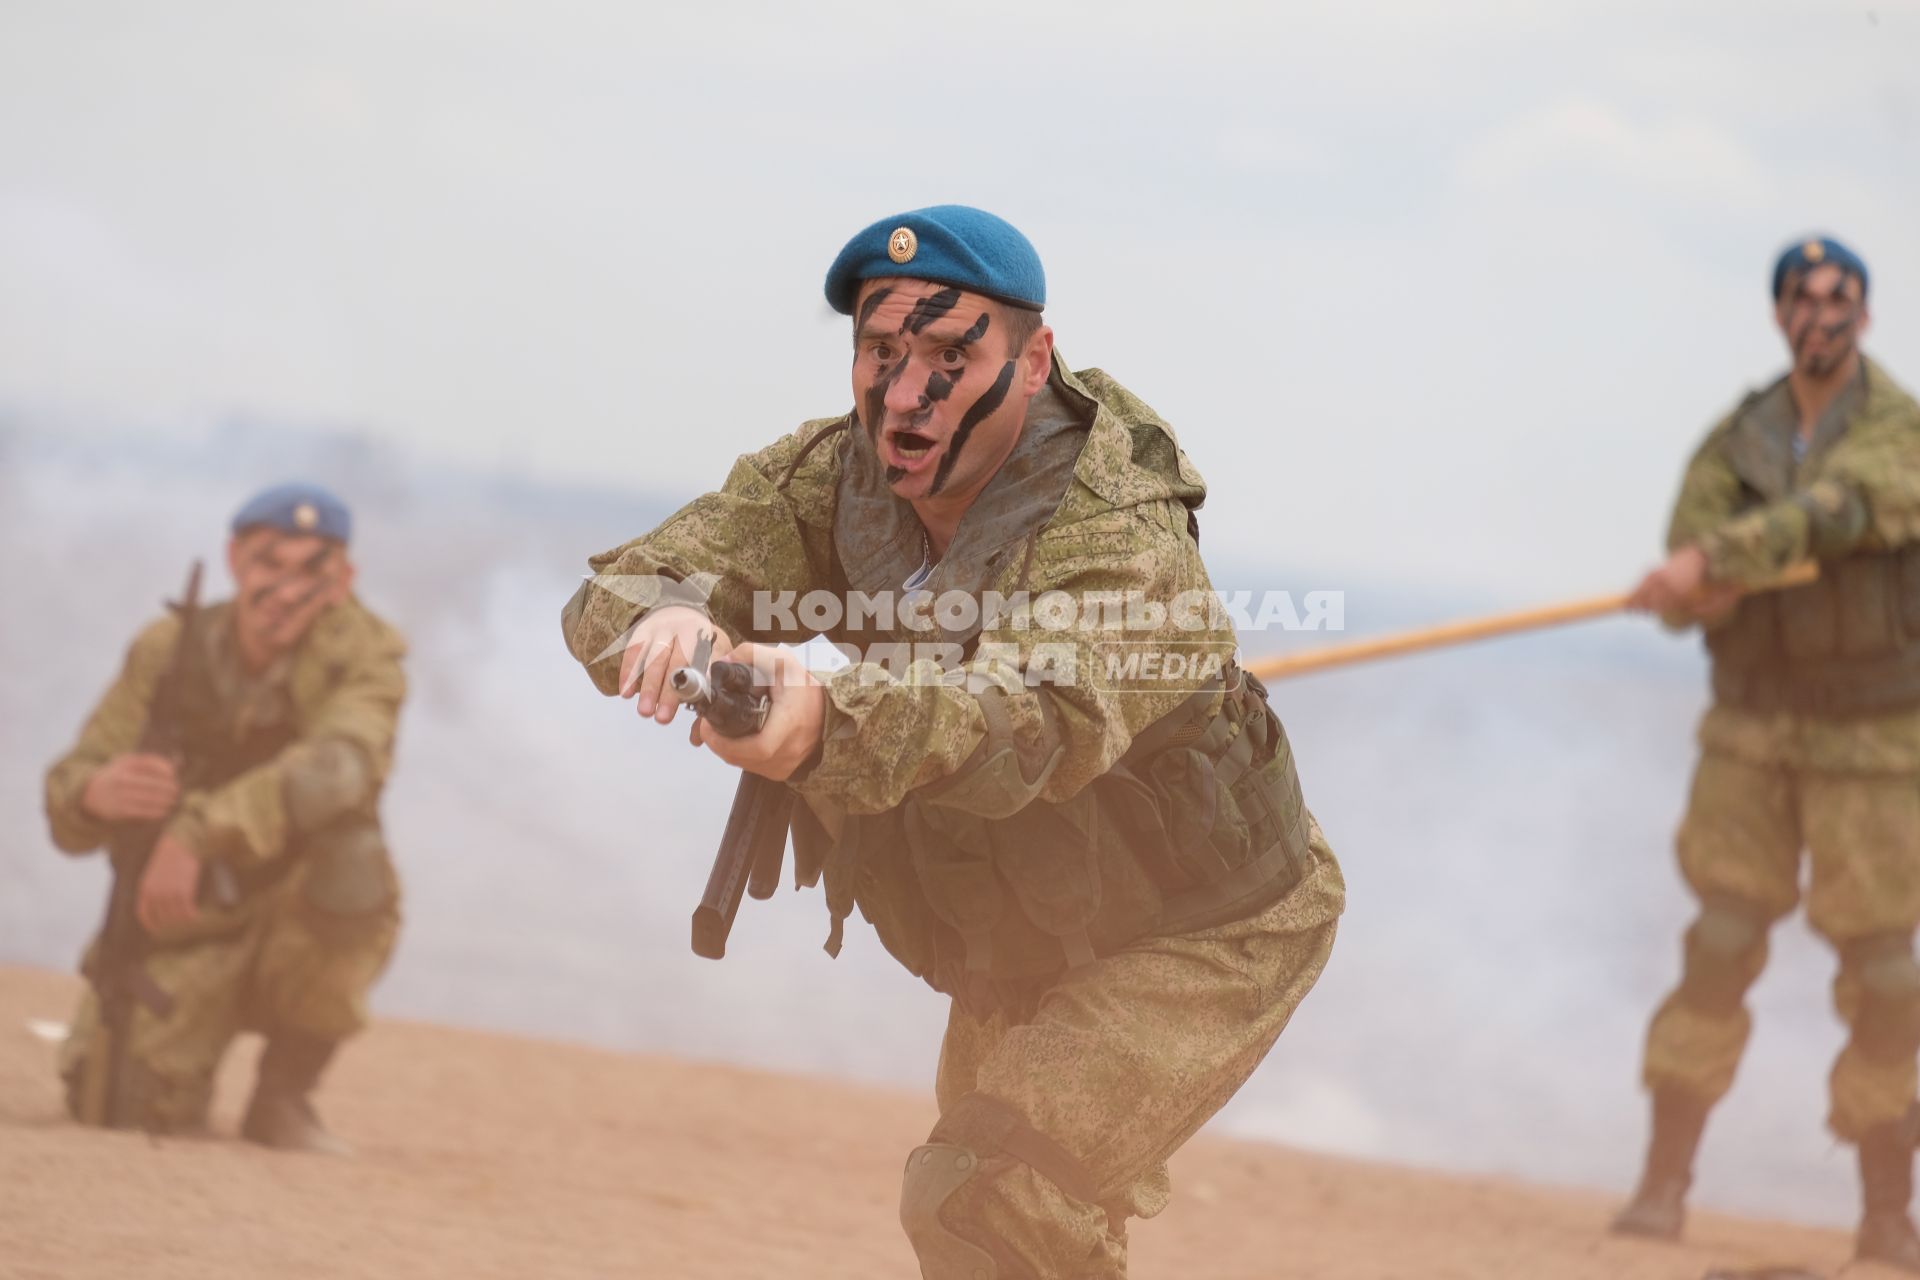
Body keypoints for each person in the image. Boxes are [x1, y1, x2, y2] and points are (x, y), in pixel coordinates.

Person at [561, 205, 1345, 1277]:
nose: (905, 393)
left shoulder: (1117, 530)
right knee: (995, 1229)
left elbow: (1020, 721)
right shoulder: (831, 479)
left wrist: (821, 723)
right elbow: (619, 583)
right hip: (1022, 933)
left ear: (1034, 363)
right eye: (881, 351)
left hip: (1195, 928)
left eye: (949, 353)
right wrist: (671, 622)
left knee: (986, 1194)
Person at [1621, 236, 1920, 1269]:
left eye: (1841, 296)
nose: (1822, 312)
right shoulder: (1736, 439)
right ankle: (1663, 1184)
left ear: (1866, 316)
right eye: (1803, 295)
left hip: (1873, 738)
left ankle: (1886, 1211)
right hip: (1750, 726)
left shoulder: (1898, 431)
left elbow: (1840, 516)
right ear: (1780, 314)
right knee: (1716, 942)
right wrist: (1691, 586)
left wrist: (1723, 559)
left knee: (1885, 972)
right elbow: (1683, 563)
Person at [45, 482, 407, 1154]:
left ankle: (283, 1096)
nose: (287, 588)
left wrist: (197, 829)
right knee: (117, 1103)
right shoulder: (169, 650)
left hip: (294, 910)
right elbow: (69, 790)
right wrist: (98, 793)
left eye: (312, 570)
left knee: (355, 863)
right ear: (235, 560)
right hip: (184, 918)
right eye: (271, 564)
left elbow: (341, 768)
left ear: (344, 579)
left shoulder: (365, 655)